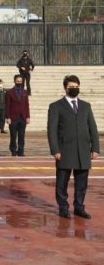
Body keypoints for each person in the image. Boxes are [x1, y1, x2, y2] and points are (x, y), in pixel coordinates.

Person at [48, 75, 100, 219]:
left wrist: (95, 147)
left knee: (82, 182)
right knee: (62, 181)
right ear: (65, 88)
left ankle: (79, 207)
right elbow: (51, 130)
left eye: (77, 87)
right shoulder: (56, 106)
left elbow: (93, 128)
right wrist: (55, 149)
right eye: (71, 87)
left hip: (83, 149)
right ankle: (63, 207)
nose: (74, 89)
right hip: (65, 150)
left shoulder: (85, 106)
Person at [5, 75, 30, 156]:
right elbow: (7, 105)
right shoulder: (9, 92)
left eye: (20, 81)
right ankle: (13, 150)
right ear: (14, 81)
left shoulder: (25, 92)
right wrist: (7, 117)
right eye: (18, 81)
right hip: (13, 118)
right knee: (13, 136)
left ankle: (21, 151)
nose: (19, 82)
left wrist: (28, 116)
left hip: (22, 117)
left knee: (21, 136)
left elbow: (27, 105)